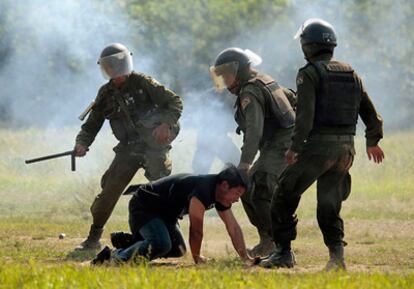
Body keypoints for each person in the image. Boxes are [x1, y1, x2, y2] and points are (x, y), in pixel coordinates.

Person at [259, 18, 385, 270]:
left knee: (283, 193)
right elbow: (371, 113)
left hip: (318, 148)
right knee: (329, 204)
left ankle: (283, 252)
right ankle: (337, 259)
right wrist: (373, 140)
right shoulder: (352, 73)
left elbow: (304, 117)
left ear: (307, 46)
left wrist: (295, 148)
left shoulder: (309, 74)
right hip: (345, 151)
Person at [74, 43, 183, 250]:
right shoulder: (105, 94)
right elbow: (92, 124)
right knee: (109, 190)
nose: (112, 71)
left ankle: (173, 238)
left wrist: (165, 124)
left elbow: (175, 102)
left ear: (124, 63)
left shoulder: (144, 83)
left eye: (114, 65)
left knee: (163, 191)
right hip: (128, 148)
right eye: (108, 67)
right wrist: (82, 143)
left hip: (153, 147)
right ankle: (93, 236)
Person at [209, 48, 296, 257]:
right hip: (279, 141)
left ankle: (279, 244)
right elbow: (292, 99)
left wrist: (245, 163)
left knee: (262, 185)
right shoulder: (262, 79)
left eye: (226, 75)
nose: (224, 81)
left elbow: (254, 130)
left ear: (238, 70)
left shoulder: (249, 92)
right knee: (246, 187)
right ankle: (268, 240)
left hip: (282, 142)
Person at [93, 165, 252, 265]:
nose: (237, 199)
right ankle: (113, 257)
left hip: (165, 215)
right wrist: (197, 258)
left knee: (179, 249)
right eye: (237, 193)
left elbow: (233, 228)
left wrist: (245, 257)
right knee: (161, 244)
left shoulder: (221, 196)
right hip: (144, 206)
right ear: (224, 185)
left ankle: (135, 242)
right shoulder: (204, 189)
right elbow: (196, 230)